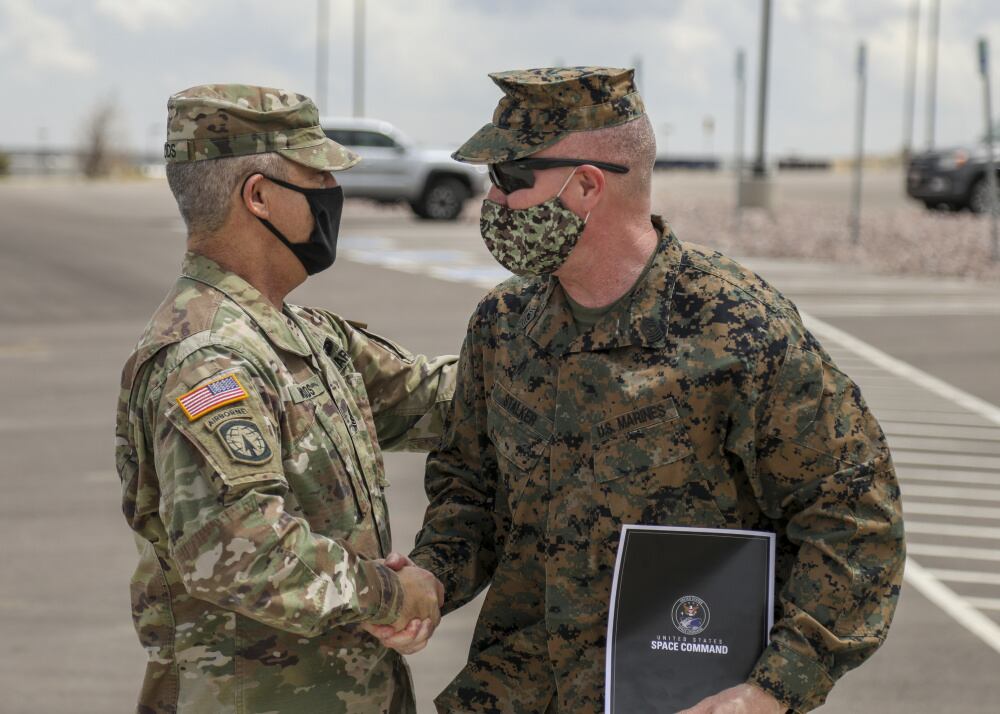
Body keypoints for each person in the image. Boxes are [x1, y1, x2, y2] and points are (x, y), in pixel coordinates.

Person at [370, 67, 905, 713]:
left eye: (510, 179)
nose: (492, 199)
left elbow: (853, 515)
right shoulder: (503, 324)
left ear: (587, 186)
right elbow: (471, 488)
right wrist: (433, 575)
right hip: (517, 689)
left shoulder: (736, 328)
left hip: (681, 696)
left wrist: (774, 689)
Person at [114, 84, 454, 713]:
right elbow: (242, 551)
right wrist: (391, 594)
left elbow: (435, 397)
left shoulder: (302, 337)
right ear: (260, 196)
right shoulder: (210, 357)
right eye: (317, 177)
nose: (333, 195)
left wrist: (541, 348)